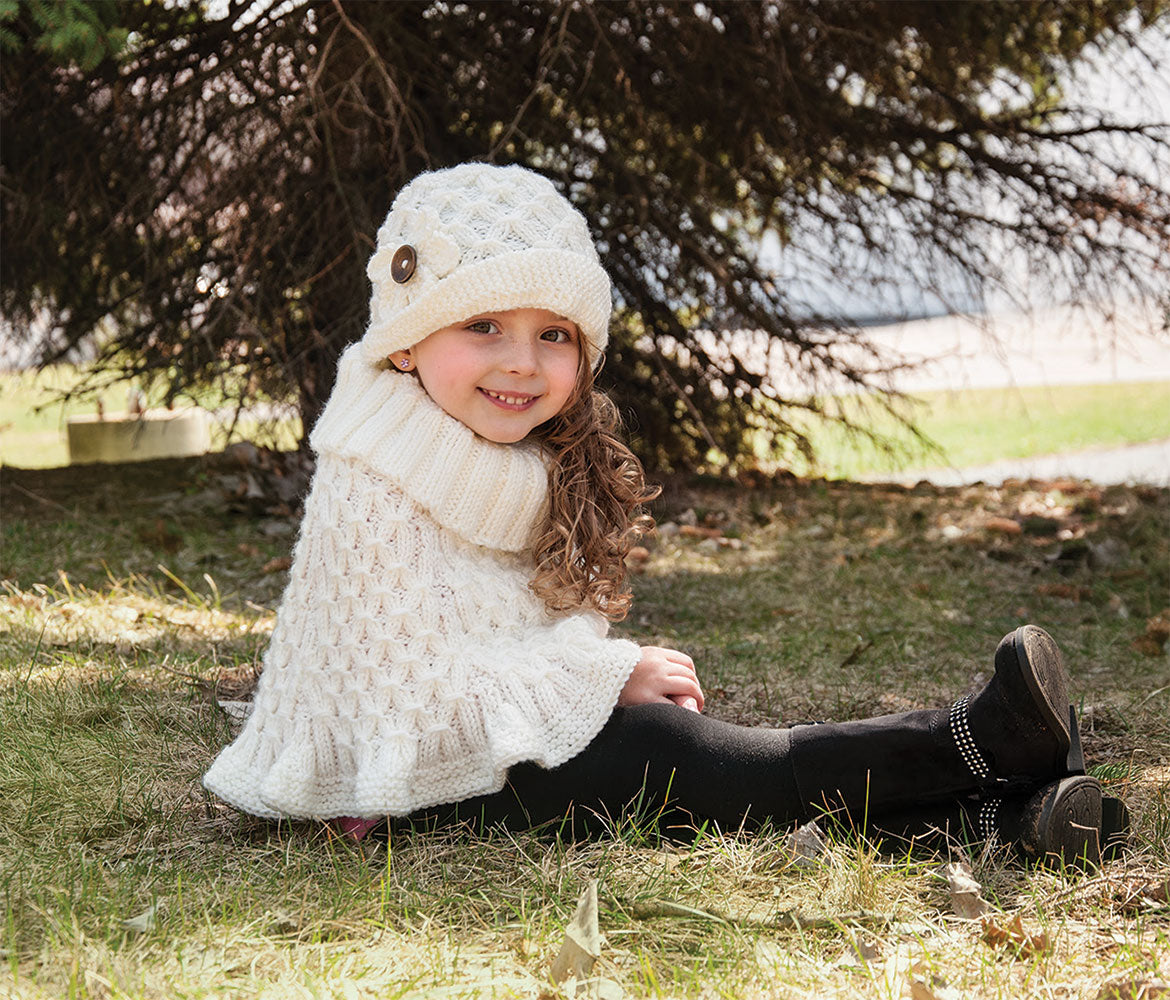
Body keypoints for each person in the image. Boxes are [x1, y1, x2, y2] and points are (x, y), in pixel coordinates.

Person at [203, 163, 1115, 866]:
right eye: (483, 326)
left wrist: (588, 675)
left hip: (484, 755)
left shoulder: (520, 461)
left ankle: (1006, 819)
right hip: (391, 785)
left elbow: (508, 640)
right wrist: (599, 679)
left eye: (553, 335)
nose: (522, 363)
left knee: (678, 774)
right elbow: (406, 690)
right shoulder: (372, 470)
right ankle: (979, 741)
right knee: (664, 752)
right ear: (407, 345)